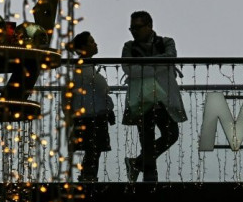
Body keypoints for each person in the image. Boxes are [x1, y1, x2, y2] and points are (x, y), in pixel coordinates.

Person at [122, 11, 187, 182]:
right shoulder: (129, 46)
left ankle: (137, 163)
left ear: (149, 26)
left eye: (137, 27)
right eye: (132, 28)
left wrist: (142, 68)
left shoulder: (166, 42)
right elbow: (128, 69)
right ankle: (150, 177)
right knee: (147, 138)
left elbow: (169, 59)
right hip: (141, 100)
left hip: (163, 99)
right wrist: (157, 65)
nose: (133, 31)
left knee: (171, 134)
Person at [67, 31, 115, 183]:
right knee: (93, 151)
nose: (95, 44)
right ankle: (88, 178)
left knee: (92, 151)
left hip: (89, 115)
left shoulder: (83, 69)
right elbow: (101, 90)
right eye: (91, 42)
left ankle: (87, 177)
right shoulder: (85, 70)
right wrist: (108, 107)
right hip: (92, 116)